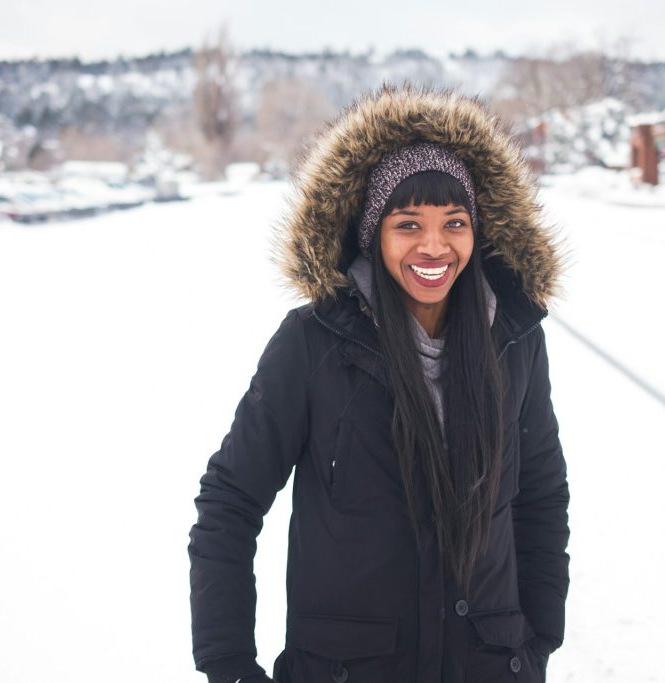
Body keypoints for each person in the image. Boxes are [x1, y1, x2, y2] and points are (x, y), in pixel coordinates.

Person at [188, 84, 570, 683]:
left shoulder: (514, 341)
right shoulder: (314, 342)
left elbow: (541, 496)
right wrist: (229, 664)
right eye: (408, 223)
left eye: (455, 222)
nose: (434, 246)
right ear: (373, 233)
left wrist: (539, 636)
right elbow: (229, 504)